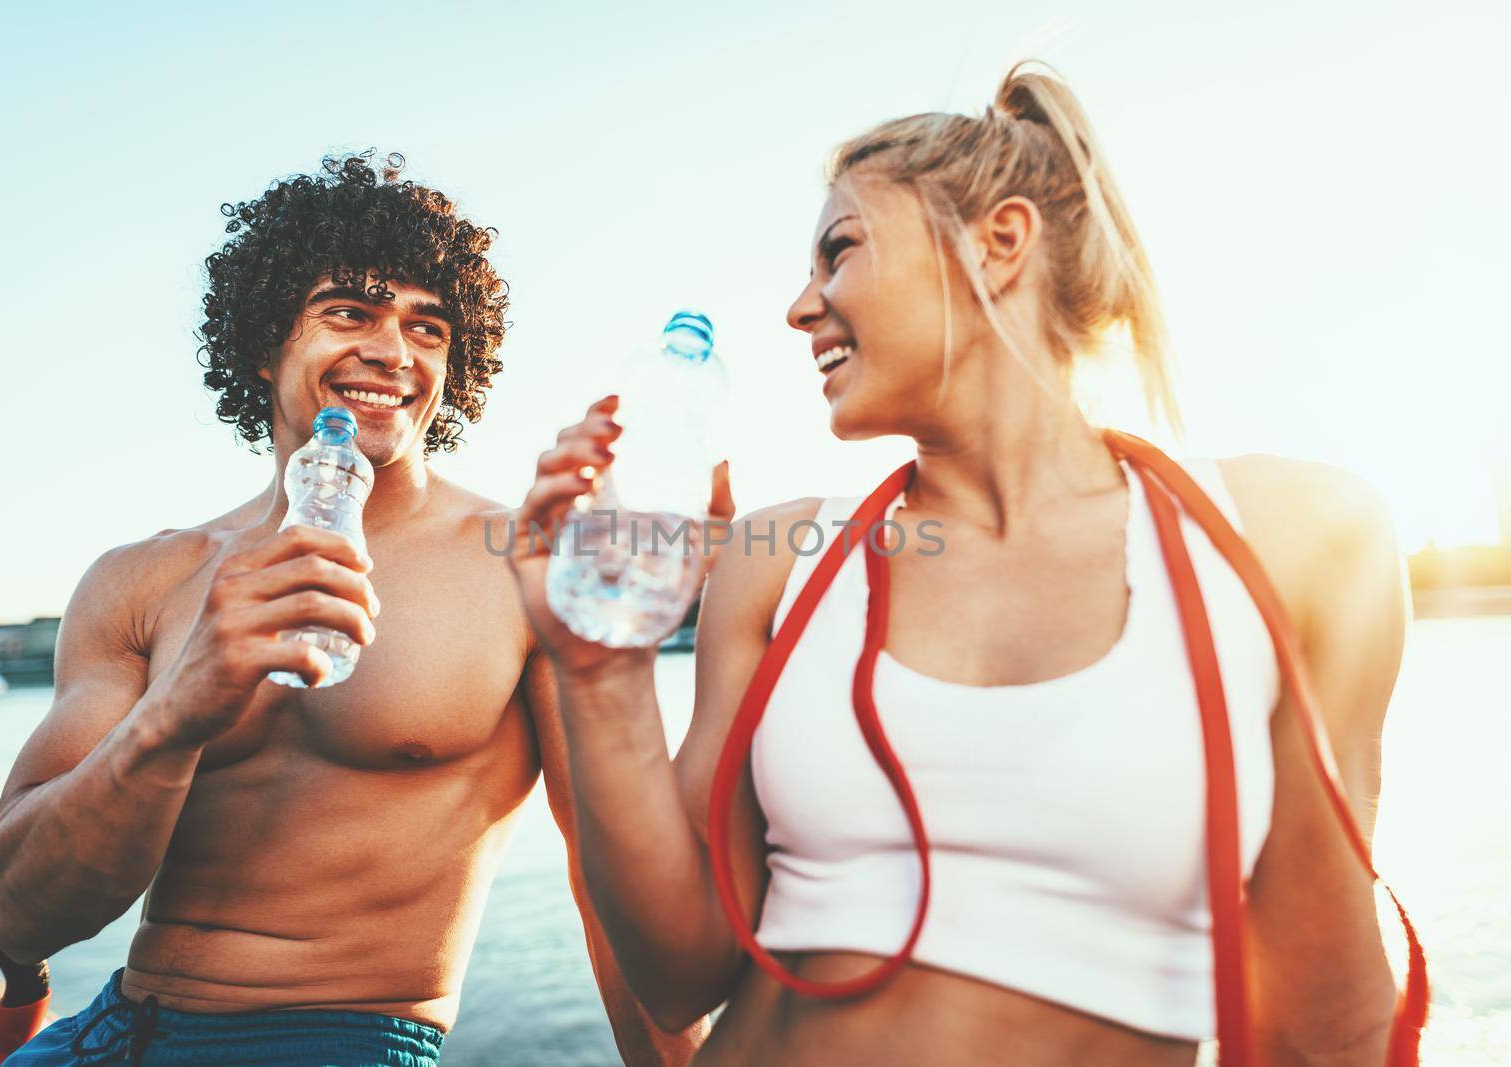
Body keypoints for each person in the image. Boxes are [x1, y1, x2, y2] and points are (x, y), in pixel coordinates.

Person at [506, 64, 1425, 1066]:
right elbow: (679, 974)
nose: (797, 307)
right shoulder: (780, 562)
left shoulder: (1294, 539)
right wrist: (602, 675)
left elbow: (1328, 1011)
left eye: (838, 252)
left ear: (999, 245)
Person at [0, 151, 700, 1066]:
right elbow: (20, 909)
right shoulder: (142, 580)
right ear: (262, 338)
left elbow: (613, 881)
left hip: (348, 1037)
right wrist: (175, 714)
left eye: (429, 328)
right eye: (349, 311)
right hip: (119, 1027)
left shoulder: (524, 562)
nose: (394, 353)